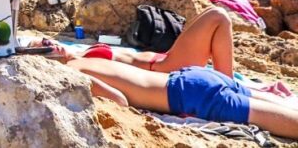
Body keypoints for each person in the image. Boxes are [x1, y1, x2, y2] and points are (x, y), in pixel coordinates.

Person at [65, 56, 298, 139]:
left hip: (186, 96)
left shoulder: (69, 74)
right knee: (289, 108)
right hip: (190, 78)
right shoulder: (83, 59)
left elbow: (119, 101)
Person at [40, 7, 236, 77]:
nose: (49, 43)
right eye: (44, 48)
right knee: (217, 17)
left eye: (45, 41)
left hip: (164, 60)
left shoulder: (77, 52)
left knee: (210, 16)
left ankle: (227, 82)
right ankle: (227, 84)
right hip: (164, 68)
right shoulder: (76, 66)